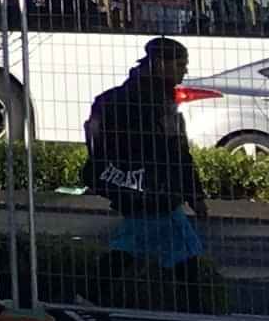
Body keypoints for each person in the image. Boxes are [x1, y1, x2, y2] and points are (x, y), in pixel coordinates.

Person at [81, 37, 211, 299]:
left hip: (129, 185)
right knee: (176, 252)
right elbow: (177, 153)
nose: (184, 71)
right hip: (156, 191)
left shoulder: (117, 98)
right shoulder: (158, 103)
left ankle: (89, 299)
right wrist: (194, 194)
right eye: (180, 64)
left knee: (137, 246)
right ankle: (198, 313)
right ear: (160, 64)